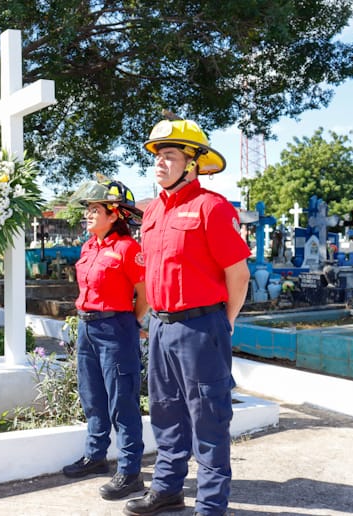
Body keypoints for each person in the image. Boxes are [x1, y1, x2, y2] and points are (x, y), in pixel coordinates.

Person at [124, 118, 250, 516]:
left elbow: (238, 273)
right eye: (157, 156)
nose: (159, 163)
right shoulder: (151, 213)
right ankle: (167, 489)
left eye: (169, 156)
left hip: (201, 326)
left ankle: (211, 506)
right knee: (165, 412)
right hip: (161, 325)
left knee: (209, 417)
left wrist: (223, 322)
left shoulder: (211, 207)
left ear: (193, 163)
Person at [62, 180, 149, 503]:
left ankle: (130, 471)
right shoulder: (89, 247)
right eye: (88, 210)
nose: (88, 215)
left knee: (122, 401)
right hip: (87, 328)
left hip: (115, 327)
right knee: (92, 395)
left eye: (94, 210)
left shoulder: (128, 249)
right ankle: (96, 456)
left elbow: (145, 294)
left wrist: (131, 322)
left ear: (113, 215)